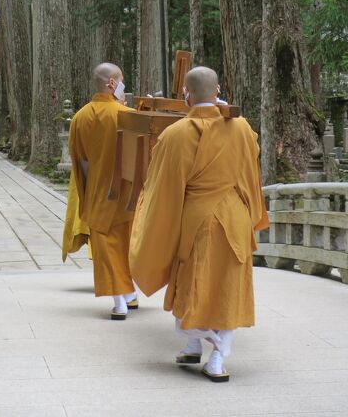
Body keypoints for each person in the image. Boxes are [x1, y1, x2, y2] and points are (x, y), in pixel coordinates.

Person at [129, 66, 269, 382]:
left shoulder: (174, 135)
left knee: (193, 285)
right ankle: (202, 350)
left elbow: (160, 189)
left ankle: (213, 352)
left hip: (196, 223)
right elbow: (250, 170)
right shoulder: (243, 128)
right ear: (218, 90)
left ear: (186, 95)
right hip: (234, 218)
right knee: (226, 287)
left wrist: (153, 227)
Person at [68, 62, 138, 320]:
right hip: (128, 194)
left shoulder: (79, 117)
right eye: (121, 81)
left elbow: (82, 162)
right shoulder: (127, 116)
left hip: (99, 191)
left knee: (107, 248)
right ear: (111, 83)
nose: (123, 86)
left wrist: (93, 188)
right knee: (128, 245)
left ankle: (121, 300)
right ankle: (127, 294)